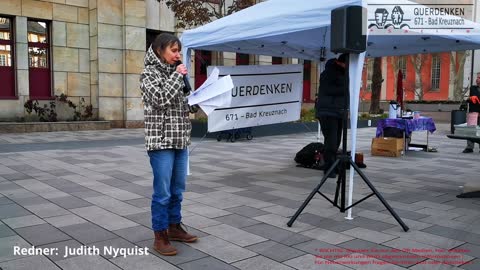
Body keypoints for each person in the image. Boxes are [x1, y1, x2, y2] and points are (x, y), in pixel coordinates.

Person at [139, 33, 197, 256]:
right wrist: (177, 77)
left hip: (180, 139)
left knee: (177, 190)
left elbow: (185, 105)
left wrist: (197, 100)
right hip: (161, 142)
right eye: (174, 50)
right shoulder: (148, 74)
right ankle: (160, 235)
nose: (178, 55)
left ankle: (174, 227)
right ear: (159, 50)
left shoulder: (176, 74)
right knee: (162, 192)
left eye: (179, 51)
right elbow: (161, 99)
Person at [315, 53, 348, 178]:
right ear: (341, 62)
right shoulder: (328, 72)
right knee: (331, 141)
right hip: (327, 112)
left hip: (339, 111)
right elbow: (328, 90)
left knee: (337, 141)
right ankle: (329, 168)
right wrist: (347, 88)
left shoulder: (343, 73)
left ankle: (333, 165)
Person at [463, 72, 480, 153]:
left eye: (479, 78)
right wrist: (470, 98)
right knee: (470, 130)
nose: (477, 79)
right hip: (473, 112)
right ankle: (469, 147)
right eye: (477, 78)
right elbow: (466, 98)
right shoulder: (472, 88)